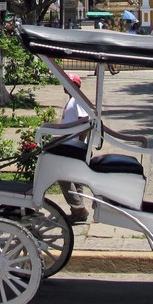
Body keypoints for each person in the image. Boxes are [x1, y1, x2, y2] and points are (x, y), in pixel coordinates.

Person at [60, 72, 91, 223]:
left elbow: (85, 123)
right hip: (70, 144)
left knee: (62, 175)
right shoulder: (73, 100)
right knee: (74, 178)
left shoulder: (77, 100)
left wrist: (78, 143)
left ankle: (78, 208)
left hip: (73, 146)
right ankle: (78, 209)